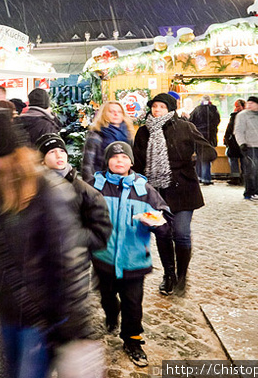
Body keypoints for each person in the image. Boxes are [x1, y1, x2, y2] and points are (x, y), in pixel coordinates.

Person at [0, 110, 102, 378]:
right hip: (6, 313)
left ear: (8, 157)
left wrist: (75, 334)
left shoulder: (47, 192)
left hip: (40, 322)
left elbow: (70, 264)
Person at [91, 141, 171, 367]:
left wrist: (156, 222)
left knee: (133, 303)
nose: (119, 161)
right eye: (114, 157)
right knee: (107, 295)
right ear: (107, 161)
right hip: (103, 258)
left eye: (124, 157)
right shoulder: (96, 187)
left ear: (132, 162)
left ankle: (132, 341)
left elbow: (165, 220)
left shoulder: (144, 190)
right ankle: (111, 311)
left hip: (134, 260)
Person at [132, 93, 215, 296]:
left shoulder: (184, 127)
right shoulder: (143, 132)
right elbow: (138, 163)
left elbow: (207, 150)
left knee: (181, 233)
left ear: (170, 109)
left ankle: (182, 274)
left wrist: (197, 156)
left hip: (184, 189)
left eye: (161, 107)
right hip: (156, 193)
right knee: (163, 234)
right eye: (154, 107)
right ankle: (169, 275)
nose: (157, 110)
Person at [37, 133, 113, 257]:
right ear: (42, 161)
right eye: (51, 152)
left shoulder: (85, 191)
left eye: (62, 150)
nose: (58, 155)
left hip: (74, 262)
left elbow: (101, 232)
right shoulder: (32, 190)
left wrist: (75, 241)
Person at [80, 100, 134, 184]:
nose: (116, 114)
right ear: (104, 114)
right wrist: (90, 186)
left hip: (124, 181)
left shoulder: (128, 134)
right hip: (101, 181)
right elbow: (88, 164)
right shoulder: (96, 134)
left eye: (119, 112)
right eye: (111, 111)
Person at [234, 96, 258, 202]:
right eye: (248, 103)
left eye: (252, 103)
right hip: (249, 146)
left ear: (257, 104)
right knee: (251, 171)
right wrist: (242, 143)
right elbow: (238, 130)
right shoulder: (242, 115)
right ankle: (249, 192)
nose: (249, 105)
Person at [189, 96, 220, 185]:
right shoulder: (214, 110)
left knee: (200, 157)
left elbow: (191, 121)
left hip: (199, 136)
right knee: (206, 157)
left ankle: (199, 177)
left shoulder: (197, 109)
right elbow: (217, 121)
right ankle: (206, 178)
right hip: (210, 137)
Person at [223, 99, 246, 186]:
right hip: (237, 143)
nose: (236, 108)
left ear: (243, 106)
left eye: (238, 106)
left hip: (237, 143)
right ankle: (241, 178)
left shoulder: (237, 116)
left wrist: (227, 140)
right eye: (235, 106)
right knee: (239, 161)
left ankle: (237, 178)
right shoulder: (247, 115)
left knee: (236, 161)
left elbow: (230, 129)